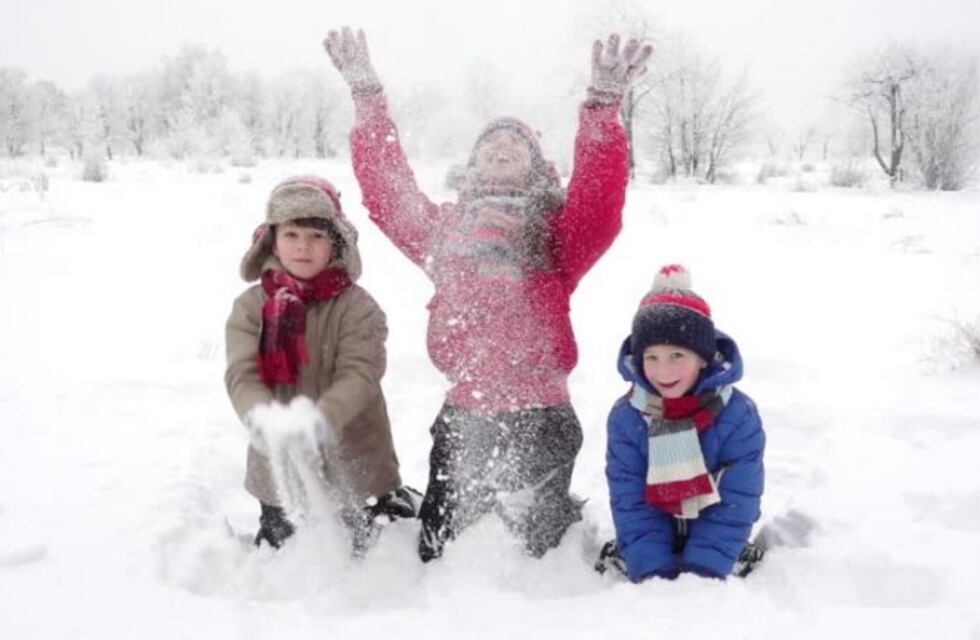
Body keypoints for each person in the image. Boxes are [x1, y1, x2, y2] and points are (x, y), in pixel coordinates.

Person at [323, 27, 652, 561]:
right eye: (490, 145)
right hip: (465, 414)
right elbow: (388, 192)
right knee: (439, 548)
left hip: (543, 414)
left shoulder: (555, 236)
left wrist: (602, 109)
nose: (502, 147)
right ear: (471, 168)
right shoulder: (445, 235)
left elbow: (599, 200)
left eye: (516, 145)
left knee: (542, 552)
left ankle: (555, 516)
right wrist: (367, 97)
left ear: (537, 170)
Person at [225, 175, 417, 551]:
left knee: (367, 550)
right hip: (278, 469)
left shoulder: (358, 307)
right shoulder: (250, 308)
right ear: (273, 241)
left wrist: (320, 419)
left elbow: (360, 373)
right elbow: (242, 374)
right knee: (285, 548)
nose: (303, 247)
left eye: (316, 236)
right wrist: (264, 417)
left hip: (357, 462)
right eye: (292, 235)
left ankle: (395, 503)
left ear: (336, 243)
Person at [600, 264, 765, 580]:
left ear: (703, 358)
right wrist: (651, 570)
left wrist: (703, 572)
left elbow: (737, 500)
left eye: (677, 355)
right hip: (651, 534)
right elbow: (630, 500)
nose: (664, 371)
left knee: (723, 555)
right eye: (652, 357)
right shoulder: (627, 418)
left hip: (721, 538)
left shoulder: (737, 415)